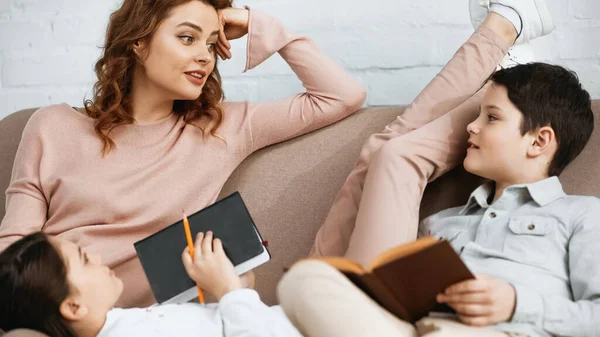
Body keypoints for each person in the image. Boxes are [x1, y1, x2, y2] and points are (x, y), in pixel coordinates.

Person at [0, 0, 366, 307]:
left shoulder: (221, 128)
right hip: (51, 307)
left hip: (145, 324)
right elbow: (14, 247)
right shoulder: (51, 126)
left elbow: (342, 95)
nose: (204, 57)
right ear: (138, 42)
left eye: (210, 44)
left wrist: (260, 25)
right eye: (187, 38)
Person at [283, 0, 599, 336]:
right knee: (304, 281)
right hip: (411, 329)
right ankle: (501, 48)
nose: (470, 128)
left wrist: (517, 303)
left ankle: (500, 41)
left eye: (489, 117)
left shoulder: (581, 215)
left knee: (393, 156)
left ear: (539, 141)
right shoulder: (439, 223)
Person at [0, 231, 303, 336]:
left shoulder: (128, 322)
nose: (95, 255)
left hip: (292, 321)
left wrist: (237, 291)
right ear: (74, 306)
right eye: (84, 259)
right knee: (309, 281)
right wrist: (230, 293)